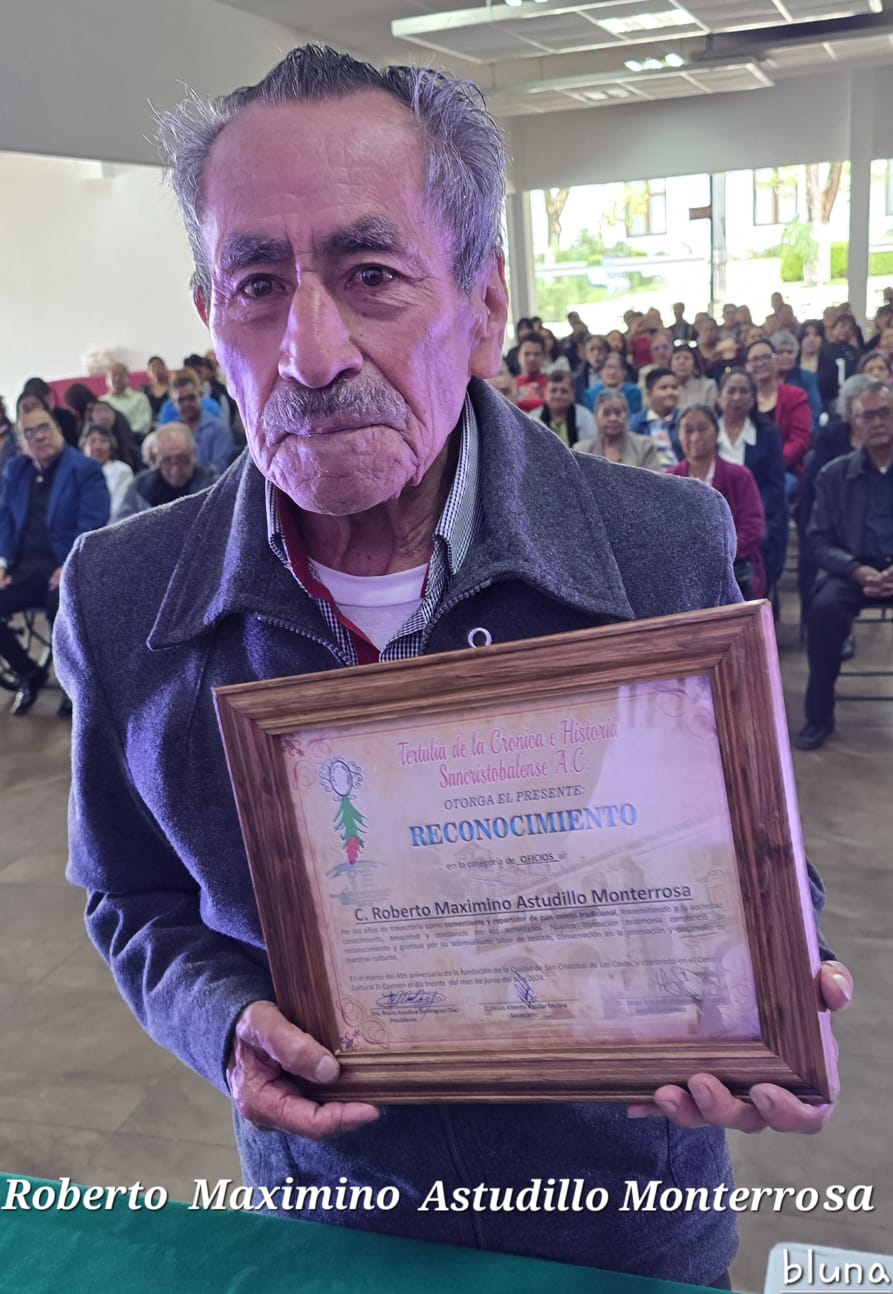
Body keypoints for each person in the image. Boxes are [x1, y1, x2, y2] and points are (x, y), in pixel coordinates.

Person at [55, 44, 849, 1290]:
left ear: (482, 307)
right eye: (256, 284)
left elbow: (752, 849)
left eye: (370, 276)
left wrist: (771, 985)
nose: (309, 354)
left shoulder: (657, 542)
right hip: (335, 1217)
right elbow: (129, 896)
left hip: (616, 1221)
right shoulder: (120, 595)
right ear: (208, 313)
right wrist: (222, 1022)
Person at [797, 379, 893, 750]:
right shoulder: (833, 474)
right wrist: (856, 570)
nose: (877, 422)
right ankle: (819, 716)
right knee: (823, 610)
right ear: (853, 422)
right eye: (867, 416)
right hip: (851, 571)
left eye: (884, 412)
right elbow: (818, 540)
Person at [0, 406, 109, 714]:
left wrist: (69, 565)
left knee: (58, 606)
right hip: (24, 569)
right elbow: (4, 519)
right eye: (29, 433)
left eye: (44, 427)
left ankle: (73, 685)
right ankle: (28, 673)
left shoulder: (85, 469)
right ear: (21, 443)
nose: (39, 437)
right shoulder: (16, 470)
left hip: (65, 567)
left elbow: (93, 525)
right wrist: (2, 563)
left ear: (59, 430)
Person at [669, 405, 766, 599]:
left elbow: (753, 526)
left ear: (717, 432)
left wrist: (720, 556)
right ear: (678, 435)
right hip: (684, 571)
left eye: (702, 429)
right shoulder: (669, 479)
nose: (695, 437)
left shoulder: (740, 476)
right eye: (688, 431)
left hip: (734, 565)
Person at [716, 369, 787, 589]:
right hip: (716, 515)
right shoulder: (707, 431)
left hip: (757, 515)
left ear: (753, 398)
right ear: (719, 397)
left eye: (744, 391)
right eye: (731, 391)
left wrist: (753, 515)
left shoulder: (768, 433)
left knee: (762, 538)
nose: (737, 397)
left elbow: (776, 484)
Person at [744, 339, 812, 491]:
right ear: (746, 366)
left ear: (776, 361)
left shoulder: (795, 396)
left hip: (784, 469)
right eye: (754, 359)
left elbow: (800, 440)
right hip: (745, 469)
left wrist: (774, 463)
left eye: (766, 357)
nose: (760, 363)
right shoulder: (742, 399)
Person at [117, 423, 217, 517]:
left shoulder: (212, 485)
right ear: (157, 458)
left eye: (182, 459)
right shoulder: (141, 486)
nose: (175, 469)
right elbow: (120, 523)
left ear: (193, 453)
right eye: (167, 461)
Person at [164, 371, 233, 472]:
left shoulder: (218, 429)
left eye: (191, 398)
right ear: (174, 403)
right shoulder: (170, 433)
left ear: (200, 396)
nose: (187, 404)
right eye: (181, 400)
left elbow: (220, 468)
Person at [575, 390, 662, 470]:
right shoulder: (582, 450)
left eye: (618, 413)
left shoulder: (644, 446)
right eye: (606, 413)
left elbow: (654, 480)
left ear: (627, 416)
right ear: (596, 419)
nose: (613, 418)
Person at [80, 424, 134, 521]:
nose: (98, 447)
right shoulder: (76, 471)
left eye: (103, 441)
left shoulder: (122, 470)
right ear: (83, 447)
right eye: (92, 441)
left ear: (111, 446)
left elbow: (118, 508)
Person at [629, 367, 682, 467]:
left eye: (674, 387)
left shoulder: (683, 420)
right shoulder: (635, 422)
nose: (670, 392)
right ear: (649, 393)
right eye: (664, 388)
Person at [528, 371, 594, 447]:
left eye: (564, 391)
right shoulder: (533, 418)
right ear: (545, 393)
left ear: (572, 394)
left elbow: (589, 448)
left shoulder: (585, 417)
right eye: (553, 391)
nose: (558, 396)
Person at [582, 349, 642, 416]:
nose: (612, 372)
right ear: (600, 371)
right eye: (608, 367)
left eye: (616, 368)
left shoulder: (633, 391)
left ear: (624, 372)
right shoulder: (590, 394)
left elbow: (634, 417)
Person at [104, 362, 154, 438]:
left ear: (128, 378)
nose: (117, 378)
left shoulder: (140, 398)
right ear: (107, 379)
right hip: (108, 441)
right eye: (114, 375)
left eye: (121, 375)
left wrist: (124, 434)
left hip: (134, 440)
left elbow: (144, 424)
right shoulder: (102, 402)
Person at [669, 344, 717, 409]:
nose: (682, 362)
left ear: (695, 364)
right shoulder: (665, 388)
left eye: (687, 358)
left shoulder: (708, 386)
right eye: (677, 358)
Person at [513, 335, 549, 413]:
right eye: (527, 354)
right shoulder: (510, 385)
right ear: (518, 356)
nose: (532, 358)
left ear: (544, 357)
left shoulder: (551, 384)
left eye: (536, 354)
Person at [143, 355, 171, 420]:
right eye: (153, 367)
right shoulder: (143, 390)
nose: (156, 369)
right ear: (148, 372)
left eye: (159, 366)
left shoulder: (173, 388)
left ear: (165, 369)